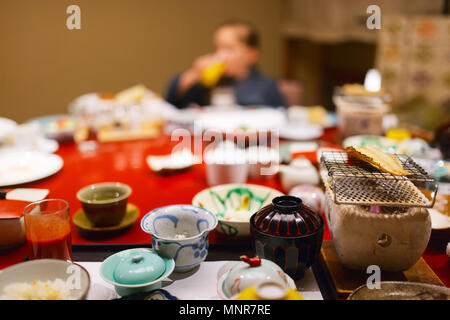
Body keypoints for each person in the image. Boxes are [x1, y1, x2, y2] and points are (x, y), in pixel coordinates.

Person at [165, 20, 287, 109]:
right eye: (217, 48)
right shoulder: (211, 83)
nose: (220, 55)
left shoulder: (266, 86)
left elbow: (282, 116)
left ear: (251, 55)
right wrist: (194, 74)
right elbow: (174, 103)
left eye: (228, 49)